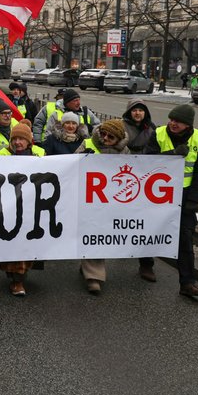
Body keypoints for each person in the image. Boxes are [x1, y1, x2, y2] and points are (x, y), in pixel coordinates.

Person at [145, 104, 198, 297]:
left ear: (188, 125)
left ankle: (187, 283)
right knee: (149, 230)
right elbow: (147, 161)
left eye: (178, 122)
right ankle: (146, 265)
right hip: (156, 194)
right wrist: (173, 155)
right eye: (172, 119)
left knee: (185, 238)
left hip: (184, 195)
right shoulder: (158, 134)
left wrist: (193, 200)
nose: (173, 124)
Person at [74, 119, 130, 294]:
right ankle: (93, 275)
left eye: (110, 136)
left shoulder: (125, 152)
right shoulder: (88, 143)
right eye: (103, 134)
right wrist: (82, 158)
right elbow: (70, 166)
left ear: (118, 138)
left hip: (110, 201)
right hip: (86, 198)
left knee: (100, 235)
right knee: (90, 232)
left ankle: (91, 270)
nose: (105, 138)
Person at [0, 119, 43, 296]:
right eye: (14, 139)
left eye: (21, 139)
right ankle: (16, 278)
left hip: (32, 206)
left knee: (27, 244)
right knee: (12, 244)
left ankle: (19, 278)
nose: (17, 142)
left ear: (29, 141)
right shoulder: (1, 156)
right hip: (8, 207)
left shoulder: (40, 154)